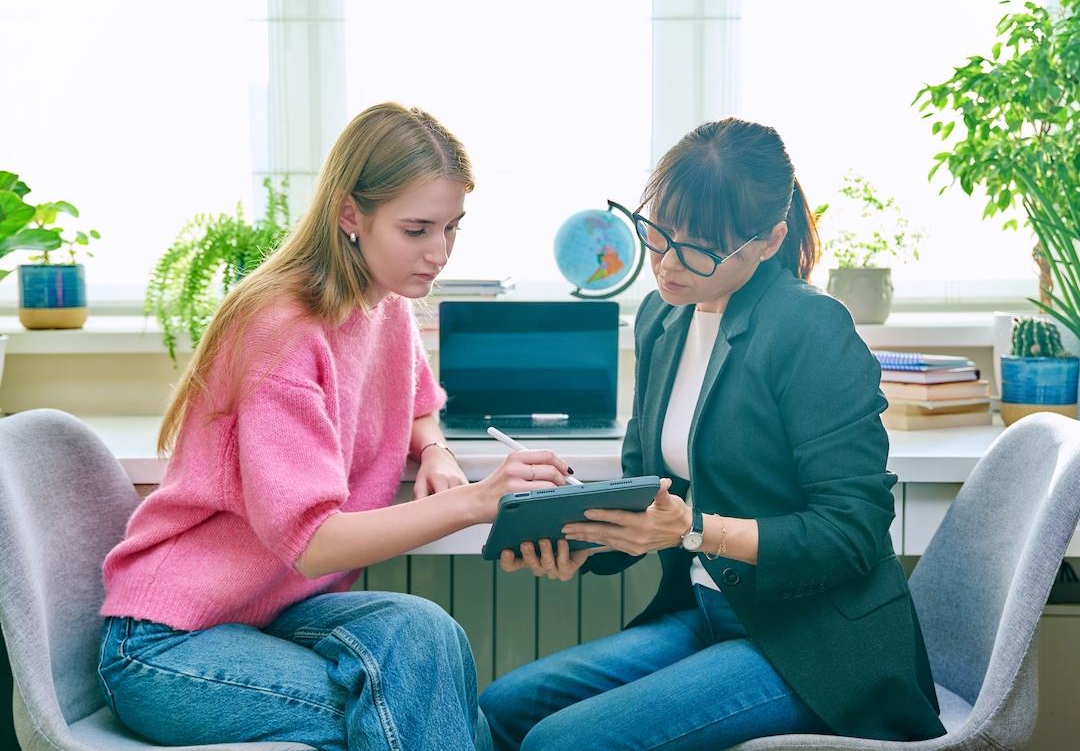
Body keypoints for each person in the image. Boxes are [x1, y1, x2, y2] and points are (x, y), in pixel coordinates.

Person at [96, 102, 572, 751]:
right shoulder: (281, 330)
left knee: (427, 635)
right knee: (412, 707)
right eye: (417, 230)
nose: (438, 254)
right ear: (351, 214)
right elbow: (314, 542)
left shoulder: (386, 304)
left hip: (268, 615)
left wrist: (434, 450)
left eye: (451, 229)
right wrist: (479, 500)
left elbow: (416, 399)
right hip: (166, 644)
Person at [480, 118, 947, 749]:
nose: (666, 265)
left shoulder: (812, 330)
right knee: (500, 709)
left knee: (563, 742)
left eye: (698, 250)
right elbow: (654, 496)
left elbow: (853, 533)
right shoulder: (661, 317)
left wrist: (695, 530)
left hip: (813, 644)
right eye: (657, 236)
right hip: (706, 612)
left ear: (768, 239)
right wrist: (580, 536)